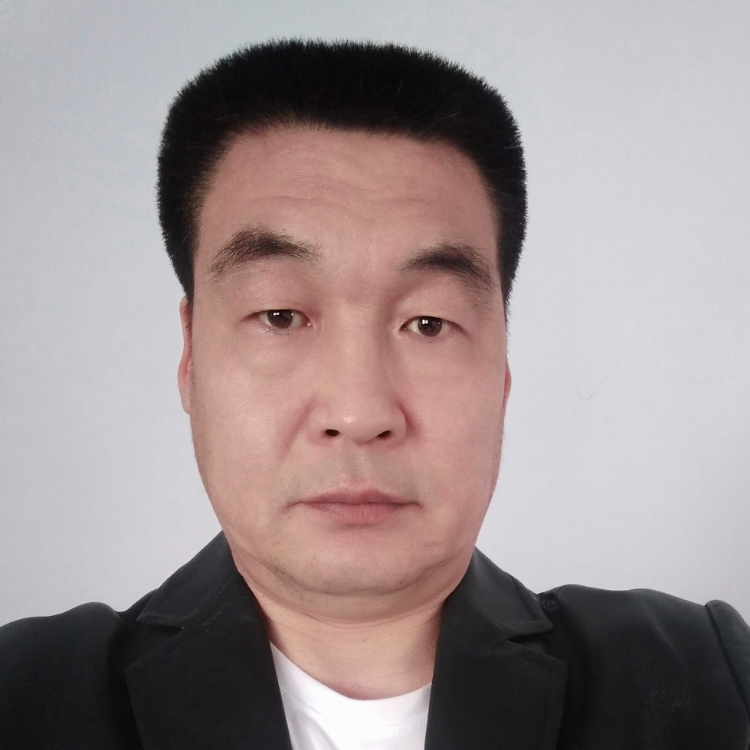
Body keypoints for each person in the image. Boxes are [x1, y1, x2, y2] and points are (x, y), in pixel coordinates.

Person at [1, 39, 748, 750]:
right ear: (191, 357)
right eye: (280, 315)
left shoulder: (706, 679)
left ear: (503, 369)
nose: (358, 414)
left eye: (428, 323)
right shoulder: (26, 695)